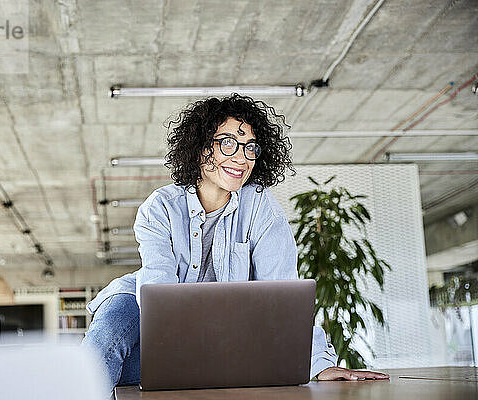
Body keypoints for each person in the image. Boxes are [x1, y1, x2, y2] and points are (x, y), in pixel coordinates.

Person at [82, 94, 389, 395]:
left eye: (250, 147)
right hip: (143, 310)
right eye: (227, 143)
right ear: (202, 149)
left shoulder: (260, 207)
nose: (241, 158)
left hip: (219, 327)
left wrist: (320, 364)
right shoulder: (161, 207)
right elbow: (158, 287)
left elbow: (283, 293)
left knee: (120, 372)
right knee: (108, 336)